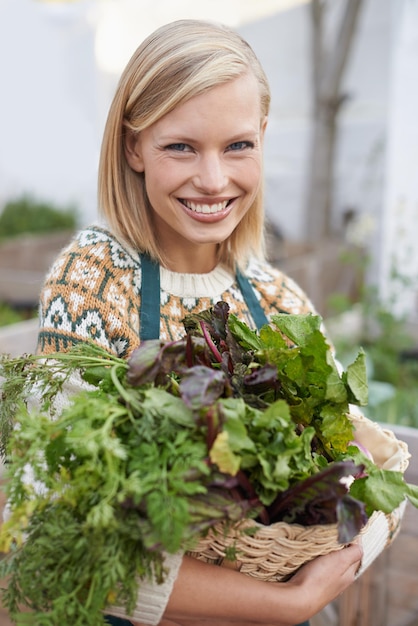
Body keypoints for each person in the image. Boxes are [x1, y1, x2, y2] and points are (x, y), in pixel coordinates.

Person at [36, 18, 363, 626]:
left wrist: (342, 556)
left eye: (237, 145)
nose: (213, 180)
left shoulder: (279, 297)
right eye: (180, 146)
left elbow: (365, 469)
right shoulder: (94, 279)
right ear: (133, 146)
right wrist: (287, 603)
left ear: (263, 137)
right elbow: (67, 529)